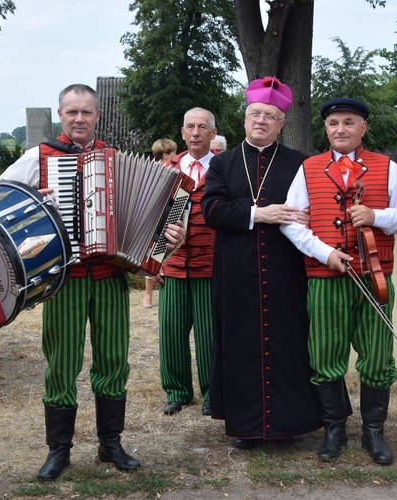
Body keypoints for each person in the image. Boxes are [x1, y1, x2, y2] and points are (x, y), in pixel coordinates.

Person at [0, 84, 184, 480]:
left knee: (114, 360)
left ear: (97, 115)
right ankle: (58, 450)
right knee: (62, 364)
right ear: (61, 115)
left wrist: (168, 237)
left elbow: (155, 218)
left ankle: (110, 443)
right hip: (62, 279)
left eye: (86, 112)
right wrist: (31, 197)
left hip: (110, 277)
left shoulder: (116, 159)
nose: (79, 119)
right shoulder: (40, 157)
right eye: (72, 112)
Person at [281, 97, 397, 463]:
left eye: (348, 122)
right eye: (333, 123)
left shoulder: (386, 167)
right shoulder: (309, 168)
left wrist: (376, 215)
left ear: (363, 128)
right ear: (325, 128)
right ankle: (334, 430)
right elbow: (291, 221)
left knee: (377, 357)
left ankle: (373, 433)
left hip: (374, 276)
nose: (340, 129)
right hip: (325, 277)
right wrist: (324, 252)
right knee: (326, 355)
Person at [202, 76, 323, 448]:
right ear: (244, 118)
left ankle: (290, 425)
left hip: (286, 272)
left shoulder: (301, 164)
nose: (261, 121)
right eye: (255, 113)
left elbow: (311, 211)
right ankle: (245, 426)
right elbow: (212, 210)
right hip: (236, 272)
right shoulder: (222, 162)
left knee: (289, 343)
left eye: (270, 116)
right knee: (239, 345)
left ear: (281, 124)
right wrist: (260, 213)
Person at [156, 108, 217, 416]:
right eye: (190, 126)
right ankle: (177, 391)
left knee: (209, 333)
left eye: (202, 127)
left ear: (212, 134)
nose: (196, 132)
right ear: (182, 133)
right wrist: (154, 263)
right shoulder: (167, 169)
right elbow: (149, 218)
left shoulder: (224, 168)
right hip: (173, 264)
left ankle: (212, 392)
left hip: (212, 264)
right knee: (171, 330)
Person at [142, 138, 178, 308]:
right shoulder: (166, 171)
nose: (176, 156)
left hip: (153, 220)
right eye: (173, 153)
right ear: (165, 154)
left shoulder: (150, 169)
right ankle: (147, 295)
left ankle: (147, 296)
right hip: (157, 220)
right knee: (154, 257)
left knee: (153, 257)